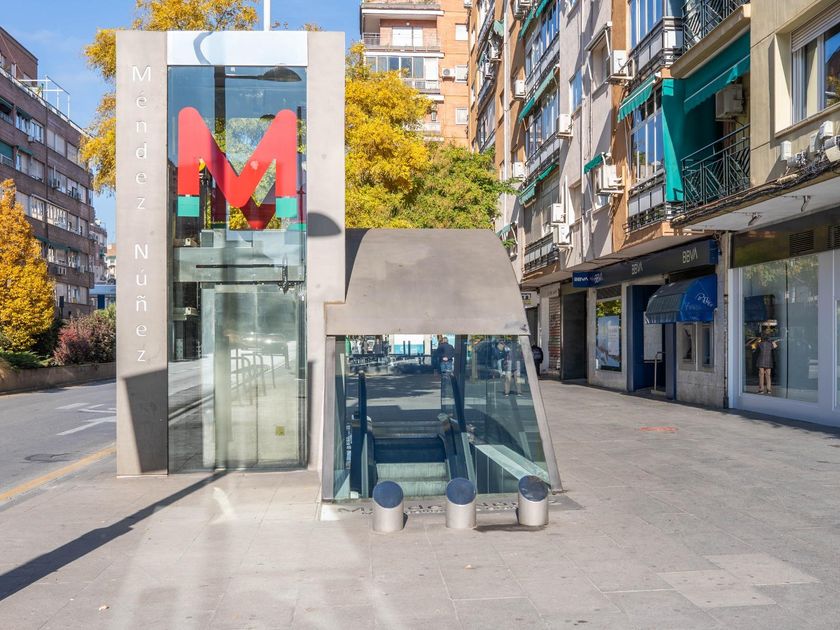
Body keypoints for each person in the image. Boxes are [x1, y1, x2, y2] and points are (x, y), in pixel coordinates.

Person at [750, 325, 778, 395]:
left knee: (761, 375)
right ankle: (769, 390)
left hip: (761, 360)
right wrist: (772, 341)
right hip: (768, 361)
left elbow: (753, 348)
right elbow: (775, 346)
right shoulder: (770, 343)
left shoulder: (759, 343)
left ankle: (761, 390)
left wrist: (757, 341)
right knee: (768, 375)